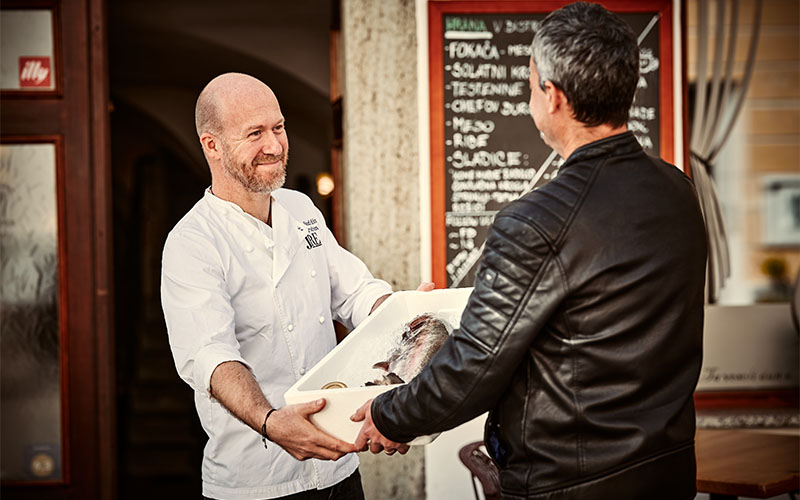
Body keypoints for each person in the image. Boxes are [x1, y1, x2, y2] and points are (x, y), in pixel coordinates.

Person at [351, 3, 708, 499]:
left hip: (570, 483)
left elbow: (477, 362)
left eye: (531, 83)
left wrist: (390, 413)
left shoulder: (534, 221)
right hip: (666, 473)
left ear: (553, 96)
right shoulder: (678, 190)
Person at [161, 72, 403, 499]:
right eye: (254, 133)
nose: (274, 145)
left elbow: (353, 292)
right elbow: (209, 355)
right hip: (256, 483)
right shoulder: (191, 243)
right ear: (211, 145)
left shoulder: (301, 208)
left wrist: (405, 316)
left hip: (339, 467)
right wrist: (272, 422)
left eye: (278, 127)